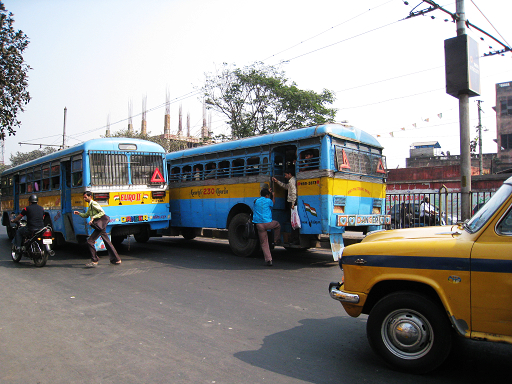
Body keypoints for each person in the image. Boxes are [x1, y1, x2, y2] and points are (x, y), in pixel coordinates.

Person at [74, 191, 121, 267]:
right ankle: (117, 259)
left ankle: (94, 260)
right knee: (107, 242)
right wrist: (79, 213)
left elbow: (102, 212)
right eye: (84, 197)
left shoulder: (94, 204)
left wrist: (93, 217)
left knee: (90, 241)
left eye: (85, 197)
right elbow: (86, 215)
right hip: (100, 226)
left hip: (99, 226)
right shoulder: (90, 205)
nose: (84, 198)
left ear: (90, 196)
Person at [253, 188, 281, 266]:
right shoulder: (268, 201)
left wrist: (267, 192)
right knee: (277, 225)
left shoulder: (256, 201)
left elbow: (258, 201)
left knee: (264, 242)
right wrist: (273, 196)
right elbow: (273, 203)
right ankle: (276, 240)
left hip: (259, 225)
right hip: (268, 223)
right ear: (267, 195)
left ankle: (268, 259)